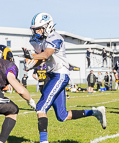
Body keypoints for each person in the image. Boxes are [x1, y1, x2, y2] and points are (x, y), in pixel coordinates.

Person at [23, 13, 106, 143]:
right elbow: (41, 58)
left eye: (39, 28)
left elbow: (46, 54)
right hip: (51, 75)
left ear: (47, 26)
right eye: (35, 29)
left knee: (41, 107)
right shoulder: (38, 40)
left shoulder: (55, 37)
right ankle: (96, 112)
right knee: (62, 115)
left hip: (60, 75)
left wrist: (31, 56)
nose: (36, 32)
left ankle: (43, 141)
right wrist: (30, 65)